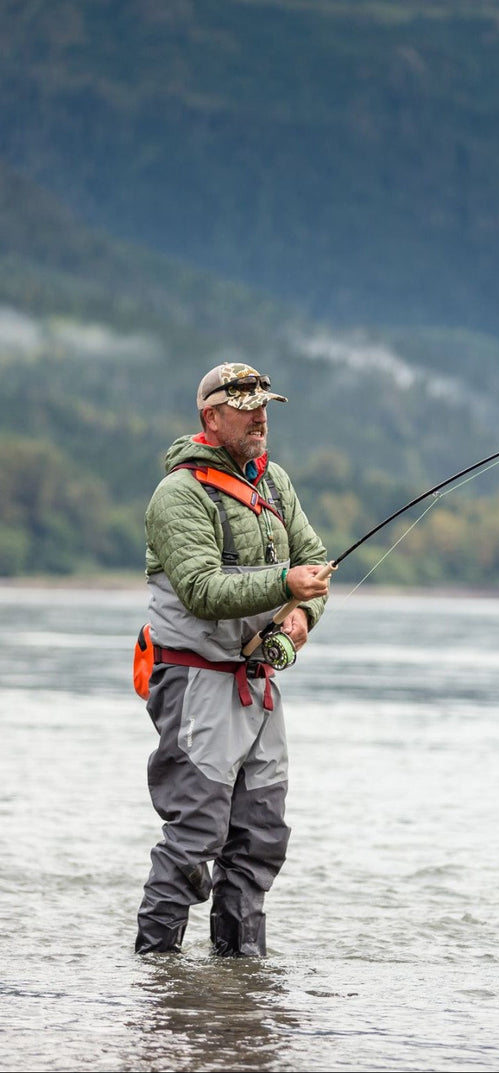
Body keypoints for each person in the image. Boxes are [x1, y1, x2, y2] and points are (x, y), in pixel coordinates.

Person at [135, 361, 331, 957]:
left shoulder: (276, 484)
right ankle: (155, 973)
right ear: (211, 417)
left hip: (258, 684)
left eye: (264, 407)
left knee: (259, 839)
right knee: (194, 836)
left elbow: (314, 561)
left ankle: (240, 980)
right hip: (195, 682)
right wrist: (286, 584)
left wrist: (302, 616)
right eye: (246, 409)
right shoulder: (179, 495)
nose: (260, 418)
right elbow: (201, 590)